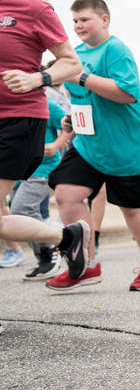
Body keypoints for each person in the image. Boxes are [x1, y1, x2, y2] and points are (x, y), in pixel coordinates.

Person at [0, 0, 90, 324]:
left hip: (18, 118)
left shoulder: (35, 9)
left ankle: (67, 237)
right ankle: (66, 236)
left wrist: (38, 79)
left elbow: (71, 64)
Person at [46, 0, 140, 291]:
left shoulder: (116, 50)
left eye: (84, 19)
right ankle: (86, 265)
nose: (78, 26)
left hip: (124, 146)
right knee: (66, 193)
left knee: (132, 208)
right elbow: (81, 99)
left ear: (104, 20)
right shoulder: (74, 53)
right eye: (74, 21)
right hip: (88, 145)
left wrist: (83, 77)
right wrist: (71, 120)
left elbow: (126, 93)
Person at [6, 88, 69, 277]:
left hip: (43, 168)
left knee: (20, 210)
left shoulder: (47, 105)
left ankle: (52, 249)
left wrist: (57, 145)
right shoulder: (10, 108)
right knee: (24, 212)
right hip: (17, 171)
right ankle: (45, 256)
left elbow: (70, 124)